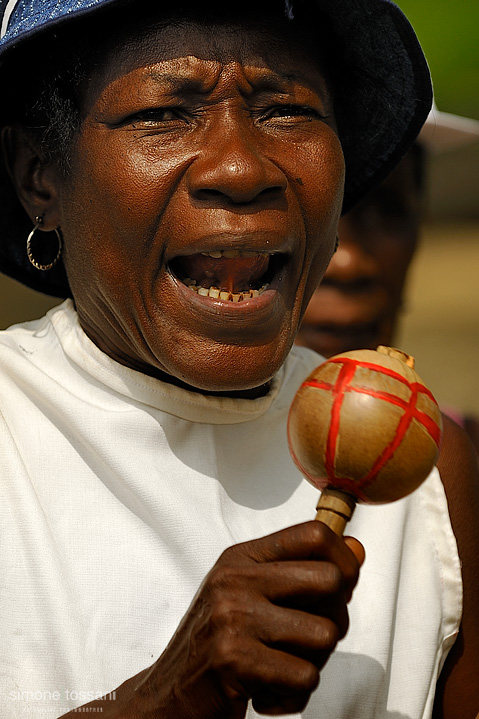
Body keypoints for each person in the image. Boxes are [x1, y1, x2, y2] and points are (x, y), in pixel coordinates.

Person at [0, 1, 477, 719]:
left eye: (286, 108)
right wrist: (165, 699)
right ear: (41, 176)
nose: (240, 166)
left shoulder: (418, 467)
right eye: (166, 113)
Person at [295, 113, 479, 453]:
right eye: (311, 210)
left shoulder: (460, 463)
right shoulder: (170, 487)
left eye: (385, 212)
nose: (347, 262)